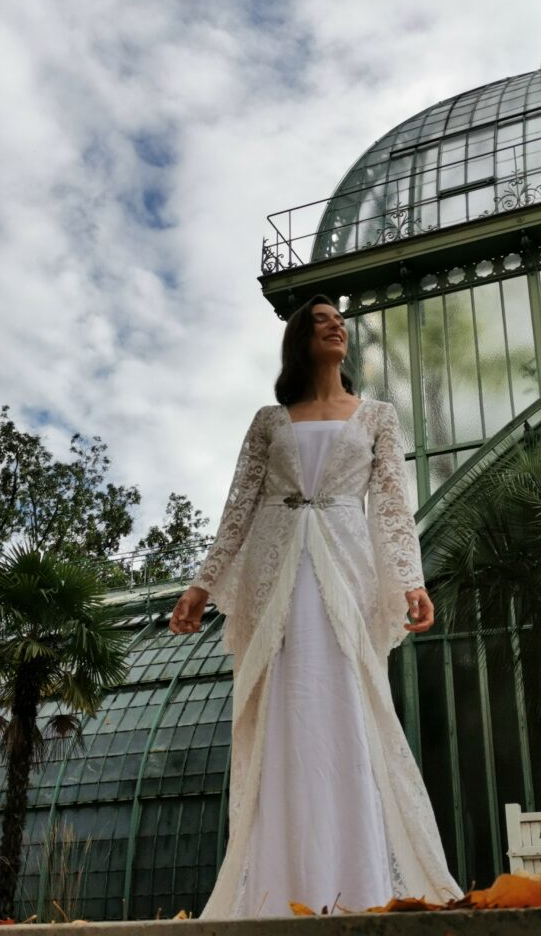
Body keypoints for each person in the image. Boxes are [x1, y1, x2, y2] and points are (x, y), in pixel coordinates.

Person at [169, 294, 463, 918]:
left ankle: (360, 889)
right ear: (301, 338)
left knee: (347, 708)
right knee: (285, 714)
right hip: (275, 574)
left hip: (346, 570)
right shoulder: (268, 421)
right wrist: (202, 584)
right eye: (322, 322)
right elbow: (239, 505)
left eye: (340, 322)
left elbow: (392, 504)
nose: (336, 328)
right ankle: (279, 894)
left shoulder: (378, 416)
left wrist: (411, 580)